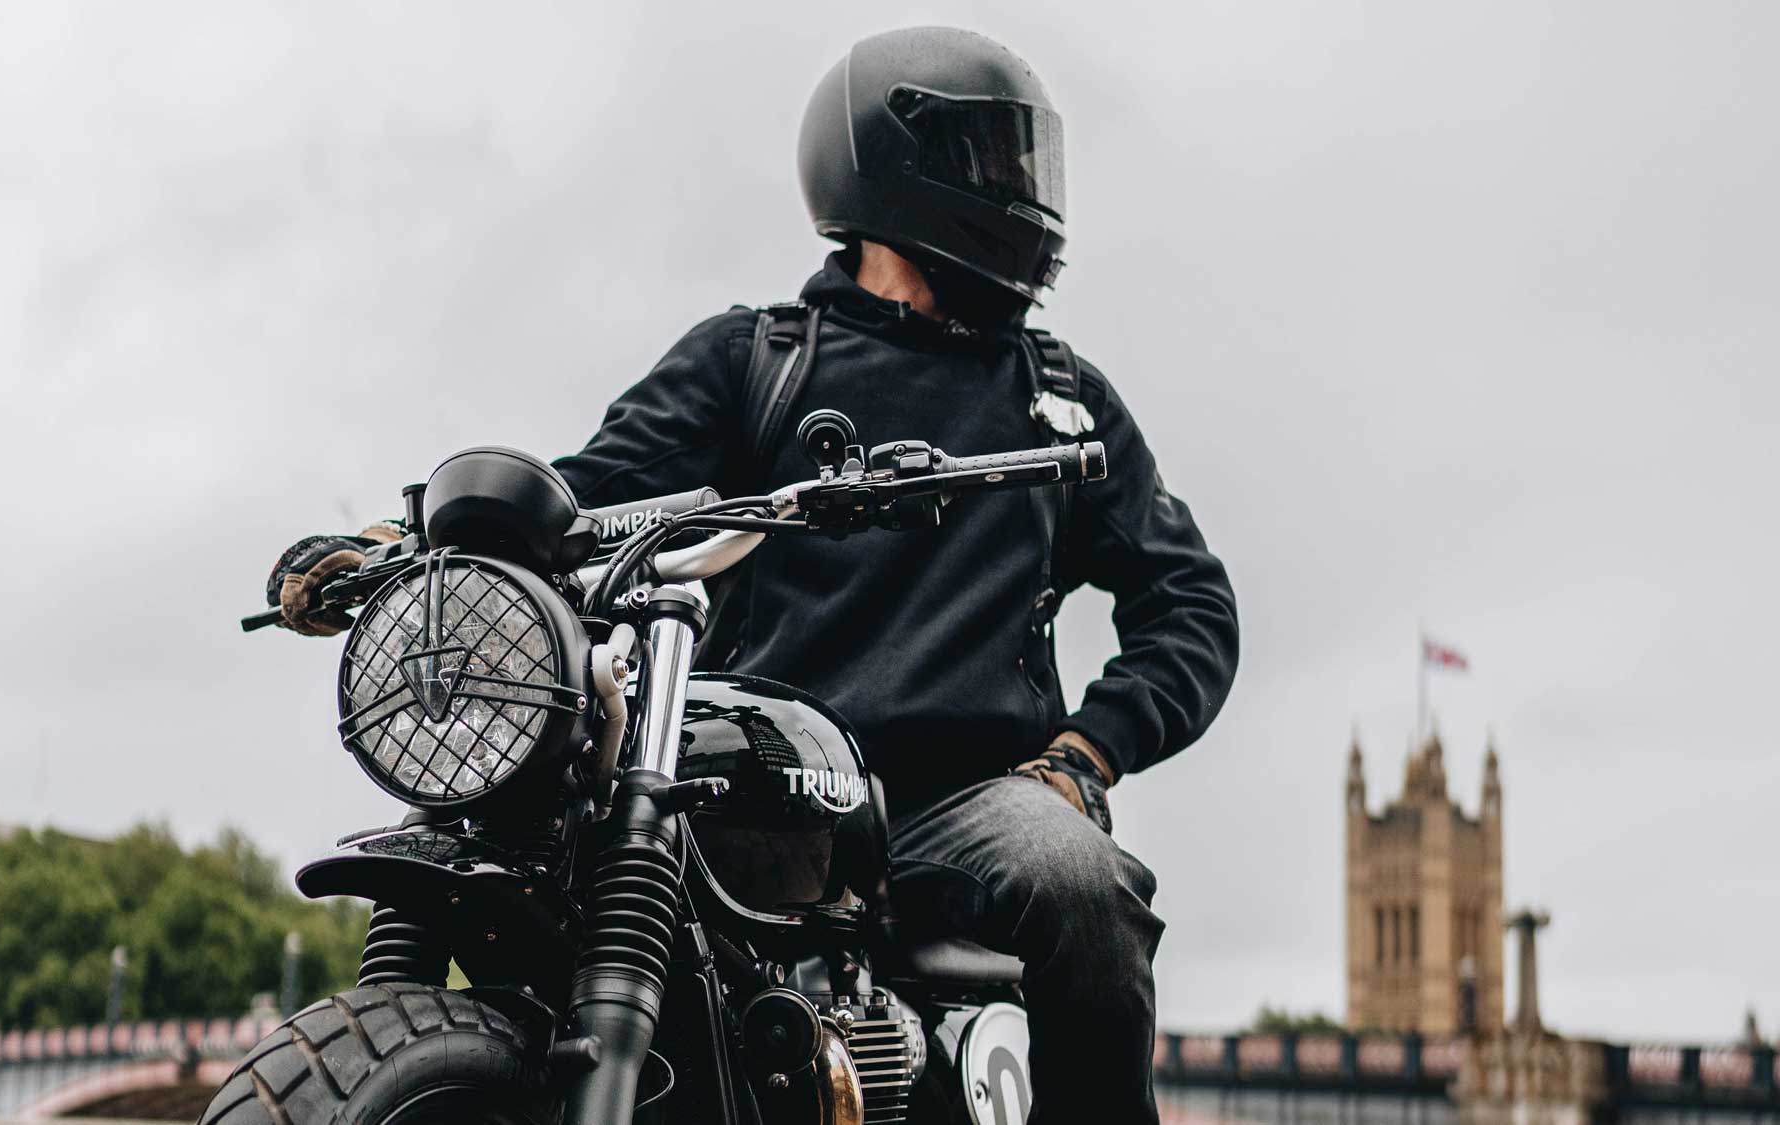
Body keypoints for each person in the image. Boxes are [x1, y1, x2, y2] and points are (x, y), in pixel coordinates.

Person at [266, 26, 1237, 1122]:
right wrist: (404, 545)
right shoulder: (759, 358)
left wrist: (1084, 753)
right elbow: (579, 494)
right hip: (741, 784)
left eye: (1021, 163)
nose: (1018, 191)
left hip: (962, 804)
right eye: (989, 160)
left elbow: (1188, 601)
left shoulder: (1058, 401)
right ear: (891, 166)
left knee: (1074, 878)